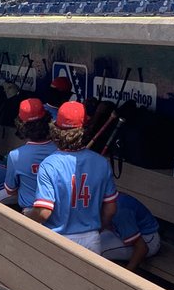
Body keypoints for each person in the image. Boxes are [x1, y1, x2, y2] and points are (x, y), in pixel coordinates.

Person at [27, 101, 118, 252]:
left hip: (58, 238)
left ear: (56, 129)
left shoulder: (49, 164)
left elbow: (43, 212)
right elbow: (110, 209)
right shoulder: (101, 162)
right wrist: (98, 228)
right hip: (91, 238)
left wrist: (27, 216)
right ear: (84, 130)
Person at [1, 98, 58, 210]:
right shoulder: (60, 150)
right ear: (47, 121)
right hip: (59, 212)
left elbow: (11, 190)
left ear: (22, 126)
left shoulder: (15, 156)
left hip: (30, 212)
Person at [99, 194, 161, 272]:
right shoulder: (103, 199)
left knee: (97, 249)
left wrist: (126, 276)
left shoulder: (119, 210)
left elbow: (142, 248)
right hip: (121, 232)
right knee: (88, 243)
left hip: (148, 239)